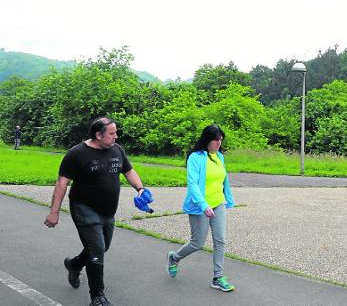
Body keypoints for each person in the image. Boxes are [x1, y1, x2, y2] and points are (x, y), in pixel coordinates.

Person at [44, 117, 147, 306]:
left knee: (102, 247)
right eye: (112, 133)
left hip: (108, 211)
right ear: (98, 135)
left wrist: (140, 189)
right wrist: (54, 212)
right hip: (84, 208)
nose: (116, 137)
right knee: (97, 248)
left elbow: (128, 170)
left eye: (115, 132)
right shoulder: (77, 154)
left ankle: (74, 264)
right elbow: (62, 182)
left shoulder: (117, 150)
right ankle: (97, 296)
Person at [167, 124, 235, 292]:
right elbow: (192, 184)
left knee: (220, 240)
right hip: (199, 206)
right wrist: (204, 205)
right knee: (197, 243)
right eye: (215, 140)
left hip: (218, 204)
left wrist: (228, 199)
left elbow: (223, 180)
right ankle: (174, 258)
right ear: (207, 140)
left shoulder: (220, 156)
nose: (219, 143)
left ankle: (217, 277)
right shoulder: (195, 158)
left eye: (220, 140)